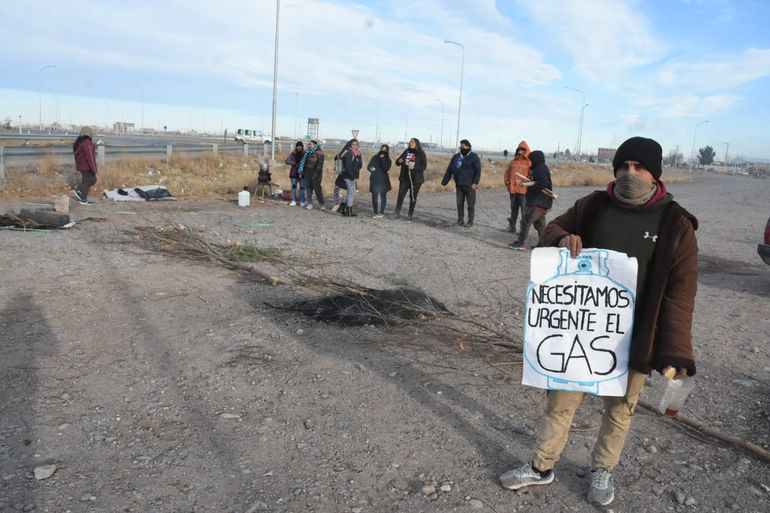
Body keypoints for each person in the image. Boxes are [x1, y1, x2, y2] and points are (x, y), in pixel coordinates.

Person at [499, 136, 699, 507]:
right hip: (581, 332)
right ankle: (542, 466)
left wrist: (674, 351)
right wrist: (562, 240)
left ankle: (602, 470)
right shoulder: (593, 206)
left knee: (620, 411)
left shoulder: (676, 224)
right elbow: (550, 229)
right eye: (623, 166)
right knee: (560, 401)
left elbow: (680, 294)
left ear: (654, 173)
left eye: (639, 168)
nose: (629, 174)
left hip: (634, 337)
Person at [508, 150, 553, 250]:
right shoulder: (540, 168)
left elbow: (543, 183)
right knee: (540, 225)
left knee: (525, 221)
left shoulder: (540, 169)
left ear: (536, 159)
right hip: (542, 203)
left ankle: (520, 243)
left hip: (538, 203)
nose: (530, 161)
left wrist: (530, 187)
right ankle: (543, 245)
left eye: (531, 159)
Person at [441, 139, 481, 227]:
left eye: (463, 147)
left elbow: (478, 170)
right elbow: (450, 169)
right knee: (459, 203)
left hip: (470, 185)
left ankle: (470, 221)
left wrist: (475, 182)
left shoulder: (474, 157)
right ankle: (460, 220)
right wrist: (444, 181)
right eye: (460, 146)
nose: (461, 148)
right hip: (459, 184)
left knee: (470, 204)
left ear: (469, 147)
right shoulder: (456, 157)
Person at [394, 138, 427, 220]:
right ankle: (397, 213)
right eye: (410, 142)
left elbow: (424, 166)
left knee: (412, 197)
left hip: (416, 179)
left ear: (417, 144)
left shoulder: (421, 153)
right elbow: (397, 162)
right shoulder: (406, 151)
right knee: (401, 195)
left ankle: (410, 214)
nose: (411, 143)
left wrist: (414, 167)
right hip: (404, 177)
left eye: (413, 142)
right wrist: (399, 161)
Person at [504, 142, 532, 233]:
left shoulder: (529, 163)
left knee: (524, 212)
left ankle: (523, 231)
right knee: (513, 210)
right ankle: (512, 227)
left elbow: (532, 177)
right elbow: (507, 173)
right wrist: (507, 183)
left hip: (524, 192)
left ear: (526, 151)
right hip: (513, 191)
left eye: (522, 150)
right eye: (519, 150)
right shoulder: (513, 161)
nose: (520, 151)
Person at [335, 139, 362, 216]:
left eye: (356, 144)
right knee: (351, 193)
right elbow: (348, 166)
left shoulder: (357, 154)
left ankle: (341, 208)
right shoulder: (349, 153)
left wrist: (359, 158)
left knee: (351, 193)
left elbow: (360, 166)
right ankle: (348, 212)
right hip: (348, 176)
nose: (355, 146)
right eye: (353, 144)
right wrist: (353, 177)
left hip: (353, 176)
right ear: (350, 145)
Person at [72, 126, 98, 205]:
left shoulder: (80, 142)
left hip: (81, 166)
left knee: (91, 180)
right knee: (89, 180)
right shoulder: (87, 143)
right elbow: (90, 156)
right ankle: (83, 199)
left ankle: (79, 190)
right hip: (86, 166)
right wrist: (94, 168)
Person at [299, 140, 326, 211]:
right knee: (308, 189)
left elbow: (320, 165)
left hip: (316, 172)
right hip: (307, 172)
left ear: (315, 145)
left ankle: (322, 205)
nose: (309, 145)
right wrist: (302, 171)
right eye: (308, 144)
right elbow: (304, 163)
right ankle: (309, 204)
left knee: (317, 189)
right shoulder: (307, 152)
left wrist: (316, 174)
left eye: (310, 144)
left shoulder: (320, 153)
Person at [368, 144, 392, 218]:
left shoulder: (388, 160)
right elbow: (368, 166)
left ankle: (381, 212)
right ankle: (375, 212)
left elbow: (386, 168)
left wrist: (382, 159)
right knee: (374, 196)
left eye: (385, 150)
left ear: (387, 151)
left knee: (383, 196)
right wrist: (371, 168)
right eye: (382, 149)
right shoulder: (375, 157)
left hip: (383, 180)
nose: (383, 151)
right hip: (374, 179)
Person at [285, 141, 306, 206]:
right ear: (296, 147)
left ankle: (302, 201)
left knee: (302, 187)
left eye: (300, 146)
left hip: (302, 174)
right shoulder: (293, 154)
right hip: (294, 174)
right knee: (294, 187)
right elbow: (286, 161)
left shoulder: (305, 154)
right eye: (298, 146)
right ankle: (293, 200)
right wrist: (293, 163)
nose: (299, 147)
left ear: (302, 147)